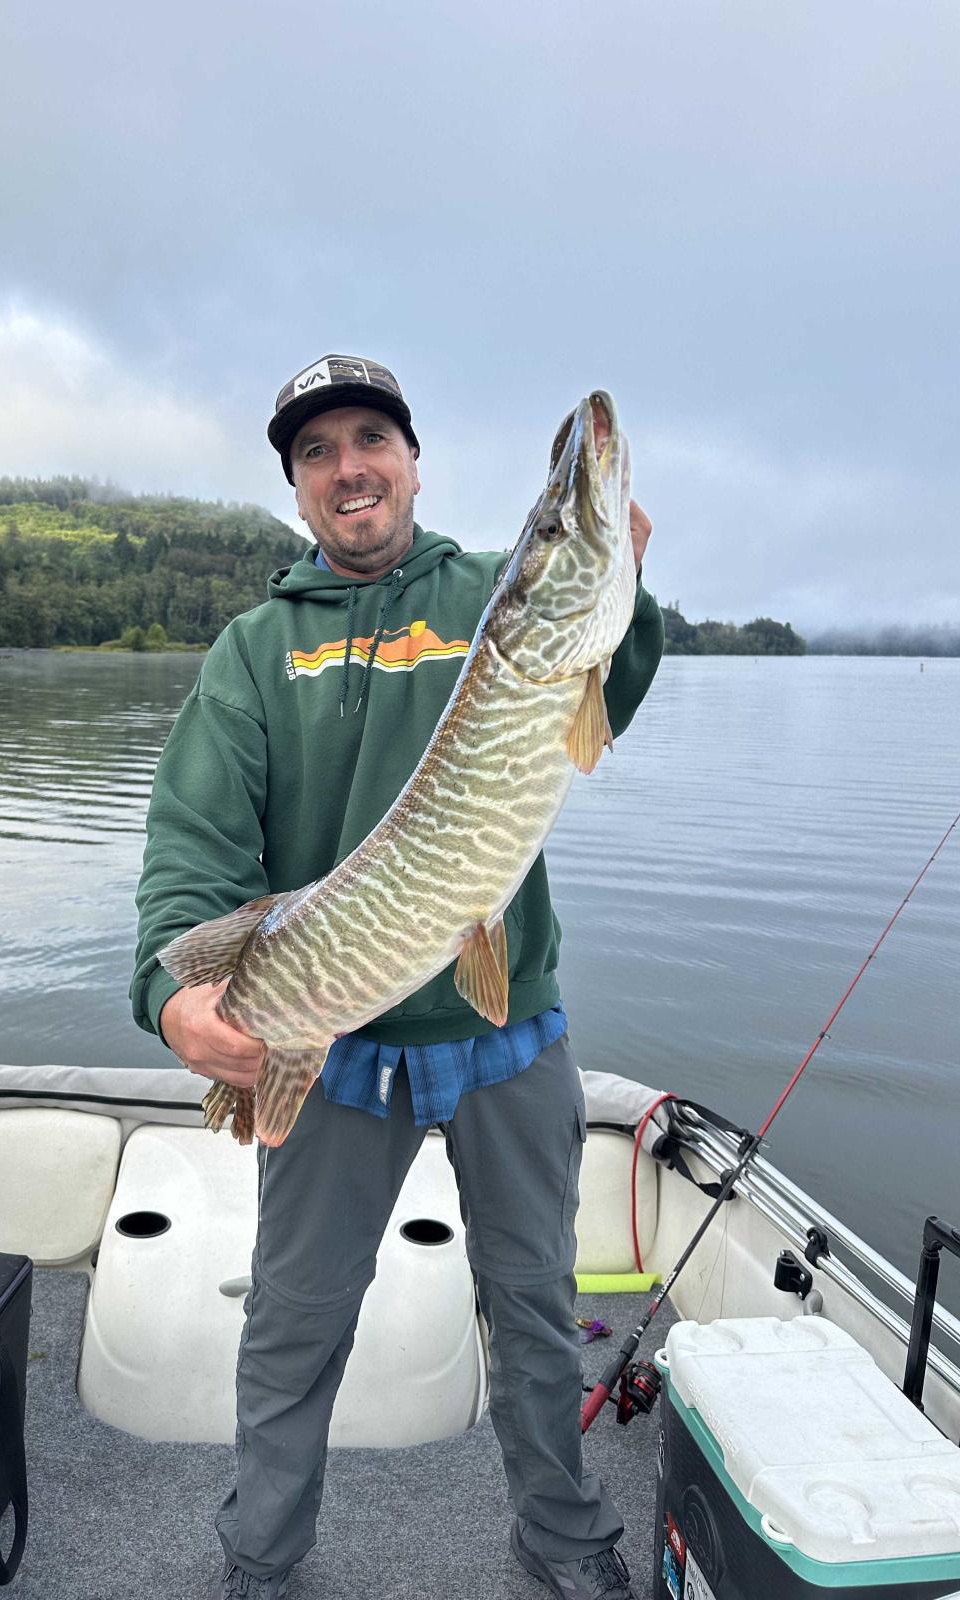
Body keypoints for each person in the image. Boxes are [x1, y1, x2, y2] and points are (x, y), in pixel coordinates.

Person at [131, 354, 664, 1600]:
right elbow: (193, 845)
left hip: (504, 1034)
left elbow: (607, 690)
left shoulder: (494, 599)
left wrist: (629, 588)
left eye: (371, 437)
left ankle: (566, 1541)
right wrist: (172, 997)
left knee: (537, 1313)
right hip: (328, 1037)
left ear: (414, 461)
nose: (349, 466)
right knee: (295, 1324)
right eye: (317, 453)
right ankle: (261, 1562)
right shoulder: (256, 651)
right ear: (300, 489)